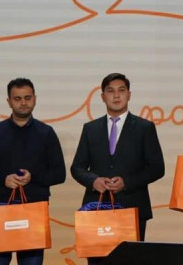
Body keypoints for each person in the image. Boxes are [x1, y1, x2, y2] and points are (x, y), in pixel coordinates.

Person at [71, 72, 165, 263]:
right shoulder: (90, 128)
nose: (116, 95)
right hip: (97, 208)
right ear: (102, 96)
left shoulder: (144, 127)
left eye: (121, 90)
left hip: (133, 208)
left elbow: (157, 168)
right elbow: (77, 167)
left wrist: (127, 182)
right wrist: (94, 181)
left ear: (129, 95)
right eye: (110, 91)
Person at [0, 77, 66, 265]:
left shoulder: (46, 133)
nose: (23, 102)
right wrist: (3, 180)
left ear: (35, 99)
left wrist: (33, 177)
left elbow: (59, 174)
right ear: (9, 101)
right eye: (17, 98)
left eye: (27, 98)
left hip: (34, 211)